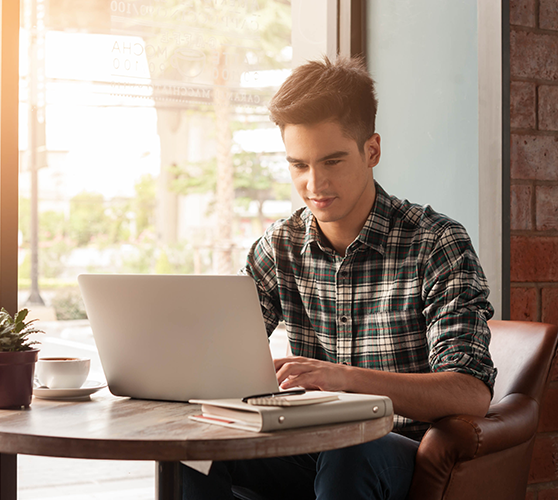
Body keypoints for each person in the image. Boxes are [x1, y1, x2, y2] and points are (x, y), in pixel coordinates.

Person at [182, 56, 496, 500]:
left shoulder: (435, 243)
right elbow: (224, 354)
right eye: (299, 165)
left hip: (400, 450)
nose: (315, 183)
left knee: (349, 451)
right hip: (309, 443)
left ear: (372, 150)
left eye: (332, 161)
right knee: (192, 452)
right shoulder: (280, 246)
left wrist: (342, 377)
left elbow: (469, 393)